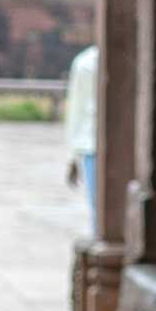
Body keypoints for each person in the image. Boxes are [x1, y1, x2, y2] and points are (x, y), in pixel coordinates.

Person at [62, 34, 99, 231]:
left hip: (96, 143)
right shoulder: (87, 63)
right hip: (90, 143)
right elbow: (76, 111)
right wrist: (72, 156)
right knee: (98, 212)